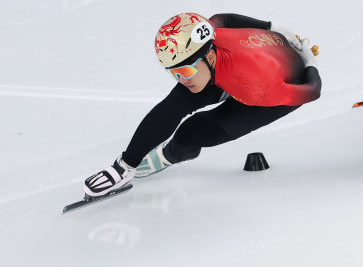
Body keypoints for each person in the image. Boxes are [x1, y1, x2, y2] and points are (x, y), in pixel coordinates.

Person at [82, 12, 321, 198]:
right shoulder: (209, 33)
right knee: (176, 103)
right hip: (231, 65)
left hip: (280, 85)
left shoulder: (258, 83)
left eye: (185, 70)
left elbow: (312, 91)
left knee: (192, 133)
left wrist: (310, 62)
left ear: (209, 56)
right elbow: (224, 18)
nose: (182, 79)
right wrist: (273, 27)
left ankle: (171, 154)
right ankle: (125, 167)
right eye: (174, 73)